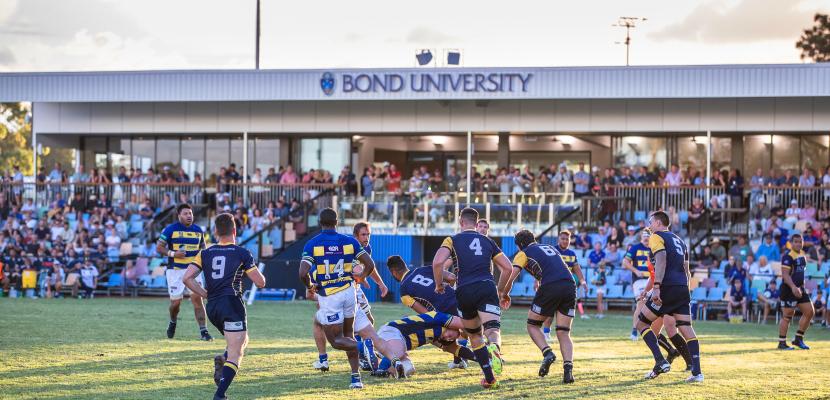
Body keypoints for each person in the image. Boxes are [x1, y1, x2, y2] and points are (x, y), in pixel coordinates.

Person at [181, 213, 266, 400]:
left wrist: (205, 294)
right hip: (231, 304)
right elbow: (260, 282)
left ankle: (223, 358)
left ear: (216, 232)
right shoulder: (242, 253)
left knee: (242, 340)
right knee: (237, 352)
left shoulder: (205, 253)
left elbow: (186, 278)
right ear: (234, 230)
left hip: (213, 308)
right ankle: (220, 395)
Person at [431, 207, 513, 389]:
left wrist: (438, 284)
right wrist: (500, 291)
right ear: (477, 224)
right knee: (492, 330)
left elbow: (437, 263)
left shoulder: (451, 240)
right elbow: (507, 268)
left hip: (464, 290)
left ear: (460, 222)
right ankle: (495, 349)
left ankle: (490, 378)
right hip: (486, 286)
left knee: (475, 336)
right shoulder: (487, 241)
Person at [298, 208, 376, 389]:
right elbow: (370, 264)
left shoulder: (312, 244)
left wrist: (310, 286)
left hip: (330, 297)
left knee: (336, 341)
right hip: (350, 293)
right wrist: (361, 277)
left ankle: (364, 347)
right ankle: (356, 378)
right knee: (349, 335)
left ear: (320, 223)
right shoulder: (349, 241)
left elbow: (302, 272)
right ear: (337, 222)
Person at [310, 222, 389, 372]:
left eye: (368, 234)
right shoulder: (347, 246)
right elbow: (356, 268)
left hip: (353, 290)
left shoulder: (366, 248)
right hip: (343, 291)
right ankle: (356, 354)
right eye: (363, 235)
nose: (366, 238)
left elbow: (368, 267)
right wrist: (361, 276)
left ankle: (363, 354)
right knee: (340, 327)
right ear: (355, 236)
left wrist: (379, 283)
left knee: (368, 321)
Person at [636, 211, 703, 383]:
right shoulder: (680, 241)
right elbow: (687, 271)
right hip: (682, 288)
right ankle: (697, 372)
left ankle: (660, 361)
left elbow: (661, 259)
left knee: (641, 323)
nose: (649, 226)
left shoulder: (656, 236)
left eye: (650, 222)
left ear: (658, 223)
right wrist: (685, 291)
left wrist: (657, 287)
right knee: (686, 328)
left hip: (666, 288)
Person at [505, 230, 577, 383]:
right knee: (564, 332)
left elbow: (511, 276)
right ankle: (568, 371)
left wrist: (504, 294)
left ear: (520, 245)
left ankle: (548, 353)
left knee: (532, 325)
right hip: (570, 285)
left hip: (551, 286)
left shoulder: (524, 252)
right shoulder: (550, 247)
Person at [387, 255, 468, 369]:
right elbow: (452, 277)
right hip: (460, 299)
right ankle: (460, 360)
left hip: (444, 312)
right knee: (472, 330)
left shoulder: (403, 291)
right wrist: (449, 292)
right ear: (404, 265)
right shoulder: (424, 269)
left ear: (393, 272)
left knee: (436, 337)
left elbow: (426, 315)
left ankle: (482, 357)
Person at [156, 203, 211, 341]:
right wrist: (173, 254)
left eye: (190, 213)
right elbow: (159, 247)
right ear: (179, 215)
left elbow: (203, 250)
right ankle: (173, 321)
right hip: (175, 271)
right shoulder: (170, 230)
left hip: (193, 271)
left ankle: (203, 331)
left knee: (197, 299)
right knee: (175, 303)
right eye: (186, 213)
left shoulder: (198, 231)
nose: (189, 216)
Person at [542, 230, 589, 339]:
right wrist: (538, 281)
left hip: (567, 287)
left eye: (567, 239)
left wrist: (583, 282)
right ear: (558, 239)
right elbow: (544, 266)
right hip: (552, 285)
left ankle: (562, 335)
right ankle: (546, 333)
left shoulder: (572, 254)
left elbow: (577, 269)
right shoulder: (552, 250)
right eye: (563, 238)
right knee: (550, 312)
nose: (565, 241)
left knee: (563, 313)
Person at [777, 234, 815, 350]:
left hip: (800, 289)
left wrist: (802, 287)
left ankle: (798, 339)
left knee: (810, 312)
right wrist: (793, 287)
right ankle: (782, 343)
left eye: (800, 241)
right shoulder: (788, 256)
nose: (798, 244)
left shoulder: (803, 255)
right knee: (788, 316)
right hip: (789, 289)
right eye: (796, 242)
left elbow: (800, 273)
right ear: (791, 243)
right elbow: (785, 275)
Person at [624, 230, 653, 341]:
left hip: (653, 281)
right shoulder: (635, 247)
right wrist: (635, 271)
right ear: (641, 237)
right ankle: (634, 331)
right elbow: (625, 262)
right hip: (640, 281)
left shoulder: (654, 248)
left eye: (648, 236)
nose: (646, 238)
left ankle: (650, 332)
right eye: (644, 236)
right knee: (641, 303)